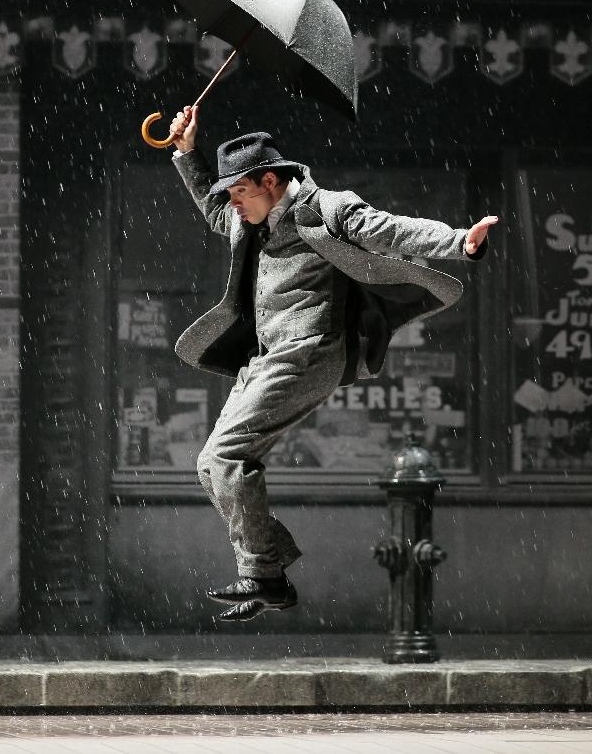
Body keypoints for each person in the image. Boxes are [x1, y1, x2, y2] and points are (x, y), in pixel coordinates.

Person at [167, 105, 497, 622]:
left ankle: (261, 570)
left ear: (269, 180)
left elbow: (391, 230)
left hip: (308, 351)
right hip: (265, 356)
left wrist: (458, 242)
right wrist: (186, 153)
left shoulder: (325, 208)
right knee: (213, 465)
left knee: (229, 455)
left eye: (239, 192)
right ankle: (271, 579)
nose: (232, 205)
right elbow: (215, 214)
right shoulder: (246, 219)